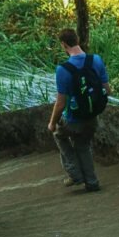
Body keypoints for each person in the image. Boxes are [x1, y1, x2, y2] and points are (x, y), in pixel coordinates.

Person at [47, 28, 111, 193]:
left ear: (63, 44)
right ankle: (92, 181)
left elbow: (60, 104)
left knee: (59, 135)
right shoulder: (96, 60)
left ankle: (74, 174)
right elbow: (107, 90)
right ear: (77, 39)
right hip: (92, 116)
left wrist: (52, 123)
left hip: (73, 119)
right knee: (83, 145)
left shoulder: (63, 70)